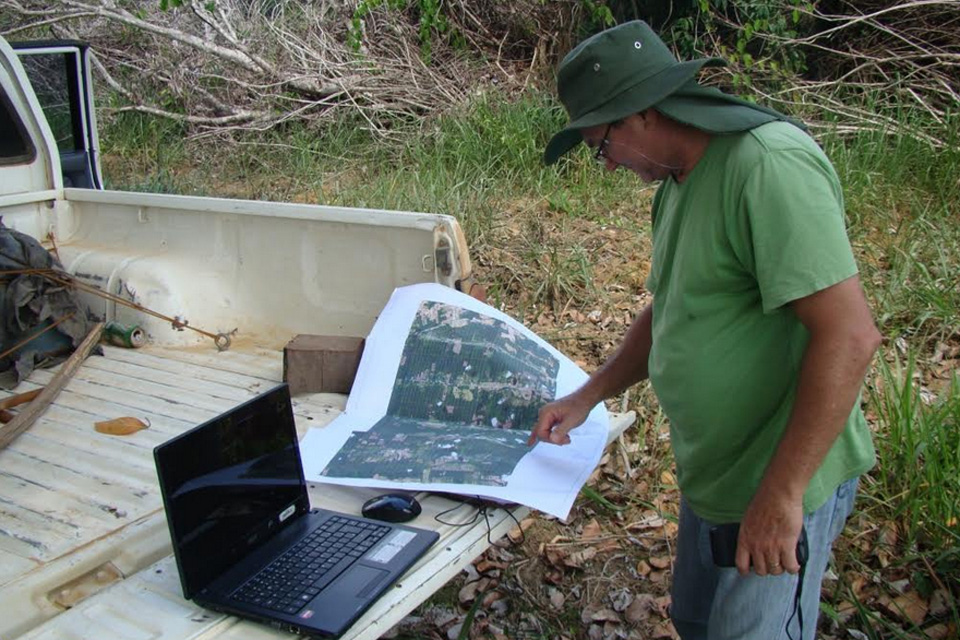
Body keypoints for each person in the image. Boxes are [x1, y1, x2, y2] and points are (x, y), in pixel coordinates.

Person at [529, 20, 881, 640]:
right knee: (695, 620)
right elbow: (672, 310)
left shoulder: (766, 165)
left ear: (642, 112)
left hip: (776, 478)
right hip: (716, 477)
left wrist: (782, 494)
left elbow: (850, 337)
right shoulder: (676, 181)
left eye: (600, 145)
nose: (605, 165)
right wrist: (589, 395)